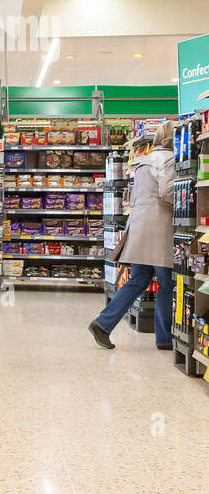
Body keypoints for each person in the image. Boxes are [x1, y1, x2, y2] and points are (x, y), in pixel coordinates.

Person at [89, 121, 175, 351]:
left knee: (138, 280)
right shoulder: (168, 159)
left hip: (139, 226)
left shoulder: (145, 160)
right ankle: (165, 338)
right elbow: (168, 192)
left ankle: (103, 324)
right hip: (159, 228)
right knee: (167, 284)